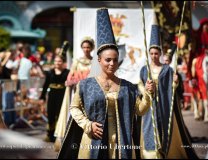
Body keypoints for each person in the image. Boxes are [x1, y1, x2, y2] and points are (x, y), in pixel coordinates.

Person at [57, 8, 149, 159]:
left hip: (121, 144)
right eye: (108, 60)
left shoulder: (128, 87)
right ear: (99, 60)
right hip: (93, 141)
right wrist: (87, 125)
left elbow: (139, 110)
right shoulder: (85, 85)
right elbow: (74, 108)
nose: (112, 63)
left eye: (115, 60)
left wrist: (148, 93)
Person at [138, 17, 198, 159]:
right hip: (149, 105)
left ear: (160, 53)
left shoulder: (167, 70)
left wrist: (175, 83)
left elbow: (172, 88)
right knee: (149, 128)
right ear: (149, 53)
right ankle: (151, 154)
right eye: (151, 53)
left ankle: (165, 150)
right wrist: (146, 90)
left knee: (164, 127)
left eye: (156, 53)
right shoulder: (144, 70)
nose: (154, 56)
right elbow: (139, 85)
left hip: (163, 105)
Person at [54, 36, 95, 151]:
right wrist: (73, 81)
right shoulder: (77, 61)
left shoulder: (95, 61)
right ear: (82, 48)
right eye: (84, 47)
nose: (86, 49)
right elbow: (70, 75)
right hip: (77, 91)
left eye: (88, 47)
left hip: (90, 92)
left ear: (91, 48)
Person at [39, 43, 70, 142]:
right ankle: (50, 134)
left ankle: (58, 135)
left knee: (59, 114)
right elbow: (45, 85)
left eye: (59, 61)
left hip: (62, 95)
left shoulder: (67, 72)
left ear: (63, 62)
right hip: (52, 95)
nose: (57, 63)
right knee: (51, 114)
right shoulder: (50, 72)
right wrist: (42, 97)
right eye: (56, 61)